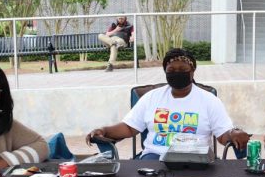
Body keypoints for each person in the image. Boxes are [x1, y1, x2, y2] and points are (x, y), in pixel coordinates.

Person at [86, 48, 250, 159]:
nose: (176, 73)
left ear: (192, 71)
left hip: (197, 159)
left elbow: (223, 135)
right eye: (171, 71)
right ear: (165, 72)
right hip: (155, 157)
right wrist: (105, 130)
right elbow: (129, 127)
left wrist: (234, 134)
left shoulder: (209, 100)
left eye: (182, 70)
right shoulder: (152, 97)